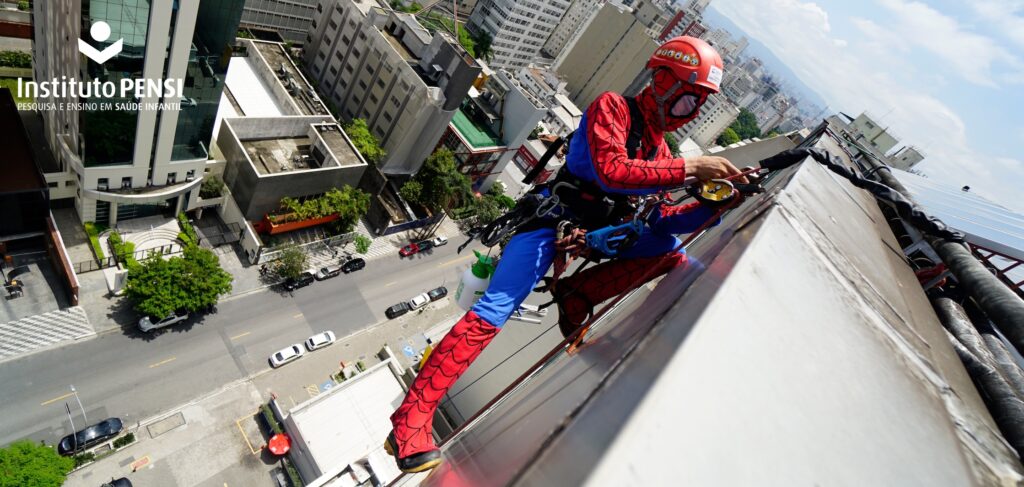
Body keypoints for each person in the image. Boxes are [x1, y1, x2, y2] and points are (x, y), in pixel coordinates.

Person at [384, 36, 745, 473]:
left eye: (699, 105)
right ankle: (411, 419)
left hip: (599, 232)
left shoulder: (659, 150)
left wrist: (715, 202)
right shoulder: (613, 108)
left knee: (668, 250)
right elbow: (613, 171)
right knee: (496, 309)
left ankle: (578, 294)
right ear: (664, 82)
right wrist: (692, 169)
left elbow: (665, 219)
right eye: (691, 100)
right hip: (551, 222)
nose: (693, 112)